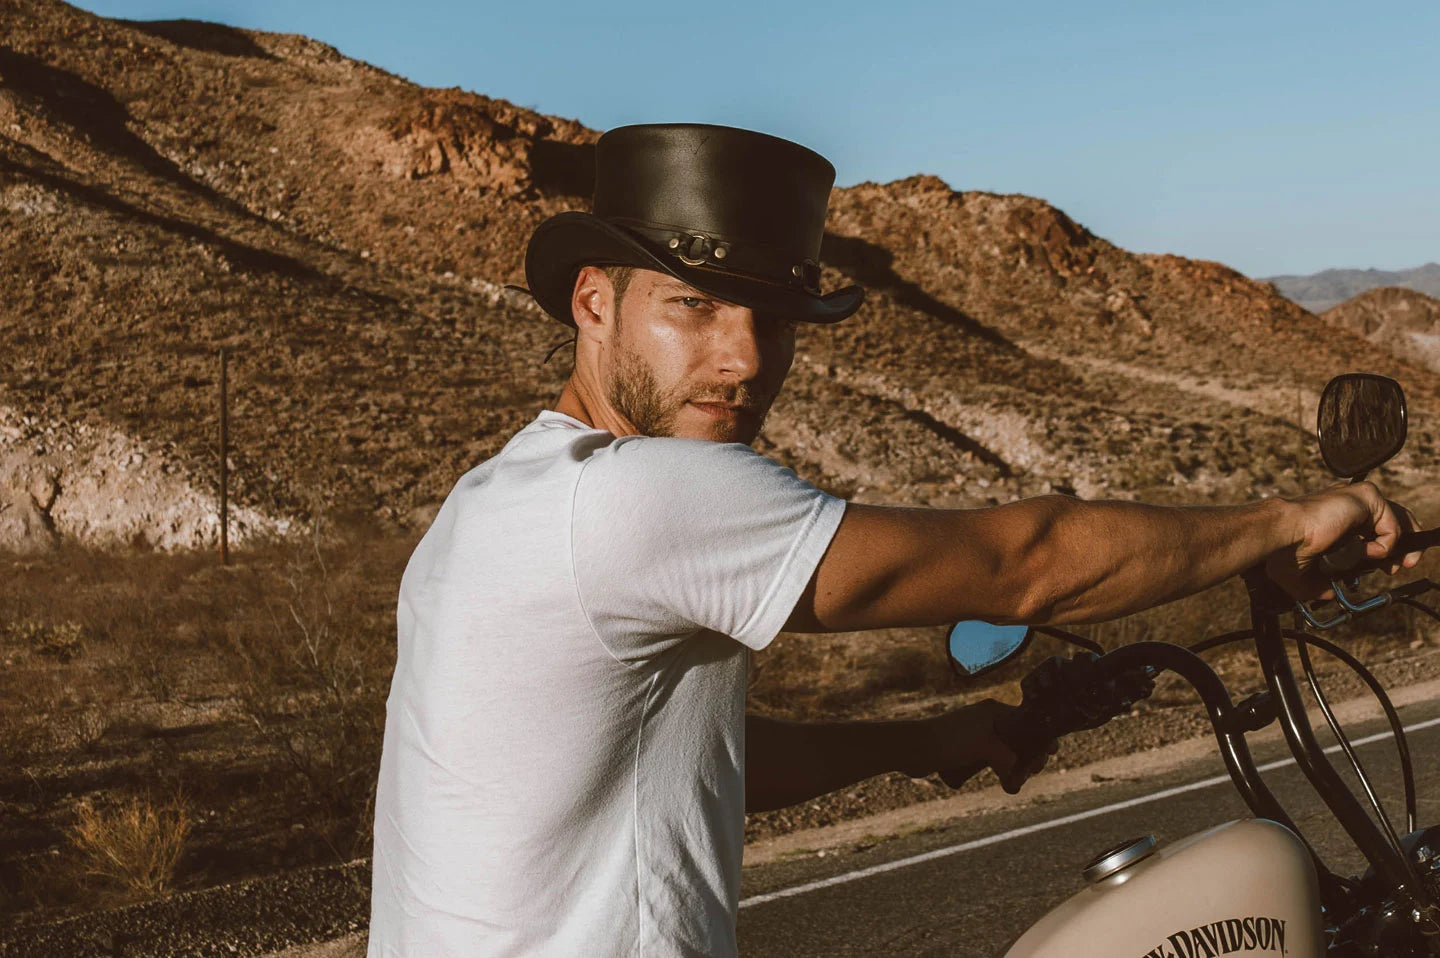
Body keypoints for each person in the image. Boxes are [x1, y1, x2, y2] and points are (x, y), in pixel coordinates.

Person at [366, 124, 1422, 957]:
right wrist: (1291, 519)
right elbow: (1026, 565)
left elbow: (673, 759)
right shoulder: (639, 496)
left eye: (770, 320)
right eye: (693, 304)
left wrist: (917, 744)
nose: (742, 360)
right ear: (594, 302)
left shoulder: (495, 500)